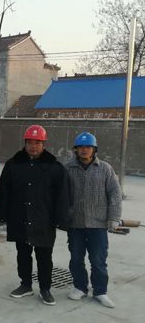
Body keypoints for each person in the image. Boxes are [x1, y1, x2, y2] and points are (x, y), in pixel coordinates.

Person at [0, 125, 70, 306]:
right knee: (23, 254)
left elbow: (62, 196)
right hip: (19, 217)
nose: (33, 146)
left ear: (44, 144)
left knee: (44, 257)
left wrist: (60, 219)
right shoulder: (13, 164)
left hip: (44, 220)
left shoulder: (54, 167)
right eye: (30, 142)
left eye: (37, 142)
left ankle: (45, 289)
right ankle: (26, 285)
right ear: (25, 143)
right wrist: (2, 214)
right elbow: (4, 190)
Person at [64, 132, 122, 308]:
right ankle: (80, 287)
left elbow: (115, 194)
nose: (84, 150)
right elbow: (60, 195)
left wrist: (114, 217)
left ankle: (100, 291)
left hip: (98, 224)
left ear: (94, 149)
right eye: (81, 147)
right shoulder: (67, 168)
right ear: (76, 149)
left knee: (98, 260)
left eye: (88, 147)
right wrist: (65, 215)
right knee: (76, 258)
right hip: (75, 223)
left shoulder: (105, 169)